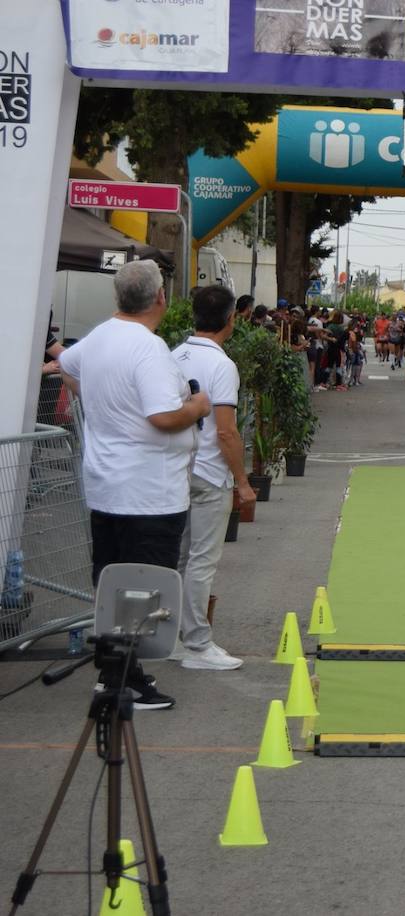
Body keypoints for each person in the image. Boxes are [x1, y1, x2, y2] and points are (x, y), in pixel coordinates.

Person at [58, 259, 211, 710]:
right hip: (150, 490)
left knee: (110, 582)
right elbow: (164, 417)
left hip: (107, 485)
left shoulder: (99, 337)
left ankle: (113, 674)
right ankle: (123, 679)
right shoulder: (148, 348)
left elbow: (66, 366)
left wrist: (103, 401)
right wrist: (199, 406)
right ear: (161, 297)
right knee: (147, 585)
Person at [170, 285, 256, 671]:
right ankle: (197, 643)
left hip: (175, 468)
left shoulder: (173, 356)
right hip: (208, 471)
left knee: (180, 558)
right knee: (202, 560)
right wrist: (242, 480)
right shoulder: (221, 365)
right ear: (231, 319)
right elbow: (226, 431)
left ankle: (172, 638)